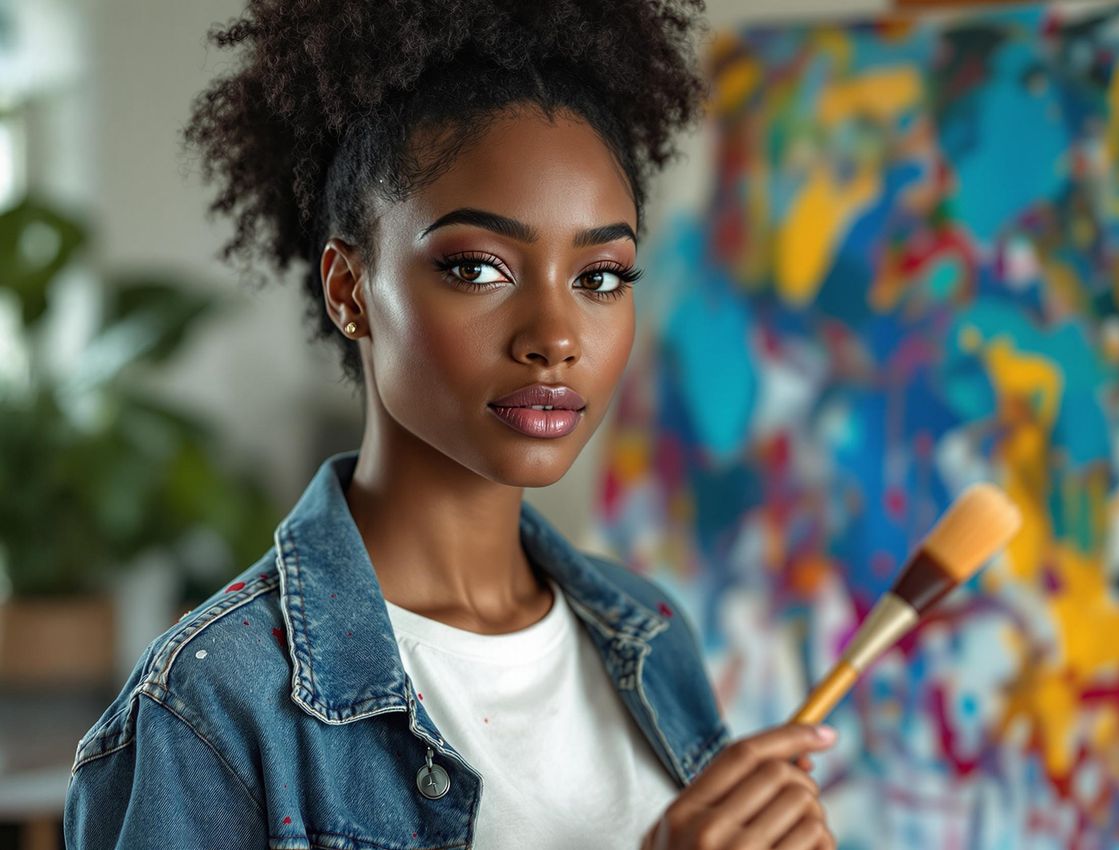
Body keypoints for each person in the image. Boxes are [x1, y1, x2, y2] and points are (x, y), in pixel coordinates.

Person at [62, 1, 839, 847]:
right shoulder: (215, 707)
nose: (555, 337)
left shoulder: (649, 635)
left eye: (602, 276)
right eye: (478, 267)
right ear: (349, 289)